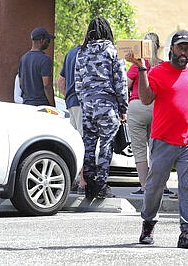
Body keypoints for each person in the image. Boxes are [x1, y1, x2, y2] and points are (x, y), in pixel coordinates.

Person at [126, 30, 188, 248]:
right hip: (162, 139)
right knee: (155, 186)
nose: (184, 52)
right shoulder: (158, 72)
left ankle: (187, 231)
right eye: (180, 47)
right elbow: (145, 98)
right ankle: (148, 222)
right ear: (171, 48)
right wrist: (142, 68)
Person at [75, 16, 128, 199]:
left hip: (88, 105)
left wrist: (84, 102)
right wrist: (123, 109)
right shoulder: (113, 51)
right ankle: (101, 185)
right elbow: (121, 83)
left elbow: (78, 82)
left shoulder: (81, 53)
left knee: (88, 145)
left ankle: (88, 184)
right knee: (106, 145)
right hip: (107, 106)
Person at [126, 33, 174, 197]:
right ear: (158, 47)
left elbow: (126, 84)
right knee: (158, 149)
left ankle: (146, 187)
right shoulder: (163, 65)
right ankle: (162, 186)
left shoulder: (137, 64)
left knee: (140, 150)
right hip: (157, 108)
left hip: (137, 107)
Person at [57, 44, 86, 192]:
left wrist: (67, 97)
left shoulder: (70, 53)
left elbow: (60, 81)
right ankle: (83, 181)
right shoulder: (87, 52)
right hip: (82, 102)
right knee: (84, 141)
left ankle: (74, 179)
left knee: (75, 142)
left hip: (71, 102)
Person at [18, 26, 56, 107]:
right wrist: (53, 106)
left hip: (26, 104)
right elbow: (47, 85)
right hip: (42, 106)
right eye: (48, 40)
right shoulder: (45, 59)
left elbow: (21, 83)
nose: (49, 43)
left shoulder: (23, 58)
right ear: (42, 41)